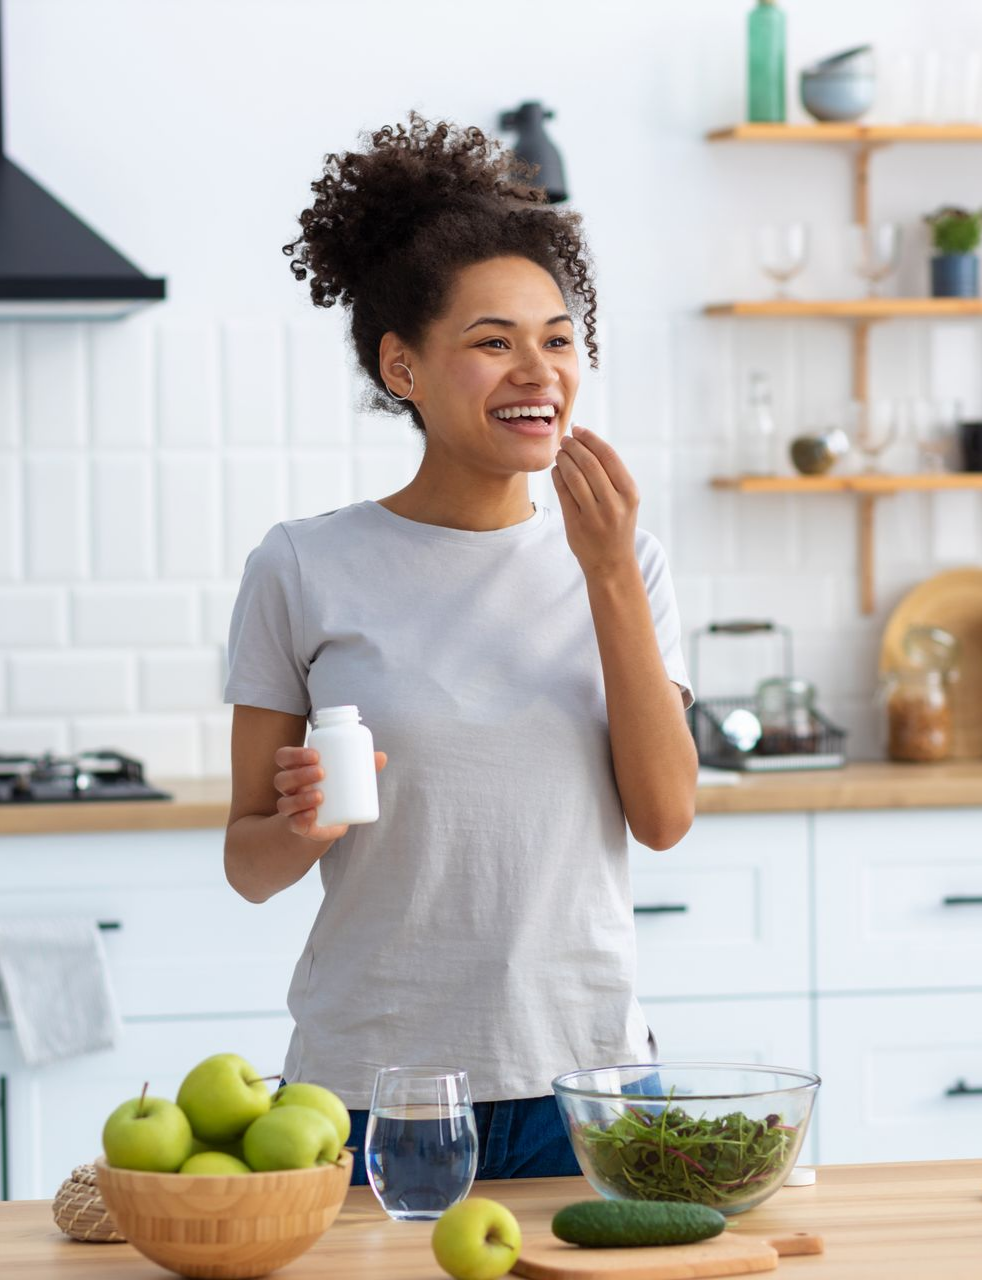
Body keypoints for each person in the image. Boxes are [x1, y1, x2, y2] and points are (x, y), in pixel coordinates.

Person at [223, 113, 698, 1186]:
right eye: (493, 340)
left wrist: (609, 570)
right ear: (405, 367)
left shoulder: (628, 560)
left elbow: (665, 817)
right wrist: (302, 824)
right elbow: (247, 863)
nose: (537, 368)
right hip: (372, 1091)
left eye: (558, 337)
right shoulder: (302, 567)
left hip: (591, 1081)